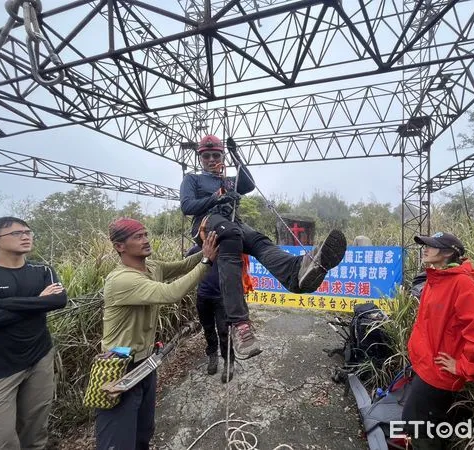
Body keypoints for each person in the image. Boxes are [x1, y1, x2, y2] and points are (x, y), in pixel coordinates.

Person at [180, 135, 347, 359]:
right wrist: (215, 197)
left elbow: (248, 183)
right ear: (200, 158)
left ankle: (296, 272)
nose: (212, 159)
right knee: (230, 235)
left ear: (222, 156)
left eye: (216, 155)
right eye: (207, 156)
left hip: (232, 222)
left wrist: (237, 157)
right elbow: (187, 205)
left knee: (259, 239)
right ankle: (240, 324)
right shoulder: (193, 180)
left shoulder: (229, 180)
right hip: (206, 223)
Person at [95, 218, 218, 450]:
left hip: (145, 364)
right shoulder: (123, 279)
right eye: (138, 237)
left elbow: (183, 266)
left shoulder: (152, 268)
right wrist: (206, 261)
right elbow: (172, 292)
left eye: (146, 234)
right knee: (118, 441)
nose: (146, 240)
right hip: (120, 369)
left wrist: (207, 249)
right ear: (120, 246)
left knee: (143, 432)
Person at [0, 216, 67, 450]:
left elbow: (59, 300)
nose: (26, 236)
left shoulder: (43, 270)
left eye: (28, 231)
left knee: (35, 431)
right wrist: (37, 302)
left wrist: (1, 303)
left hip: (39, 356)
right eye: (16, 233)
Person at [402, 232, 474, 449]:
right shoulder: (436, 279)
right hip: (425, 367)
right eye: (425, 245)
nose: (424, 249)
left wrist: (462, 366)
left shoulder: (461, 284)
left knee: (424, 432)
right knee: (415, 423)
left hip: (438, 375)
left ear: (447, 253)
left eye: (431, 246)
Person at [186, 244, 234, 383]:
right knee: (208, 329)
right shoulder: (196, 251)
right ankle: (213, 355)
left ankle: (228, 361)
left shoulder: (224, 248)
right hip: (203, 296)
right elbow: (187, 268)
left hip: (222, 297)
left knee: (224, 331)